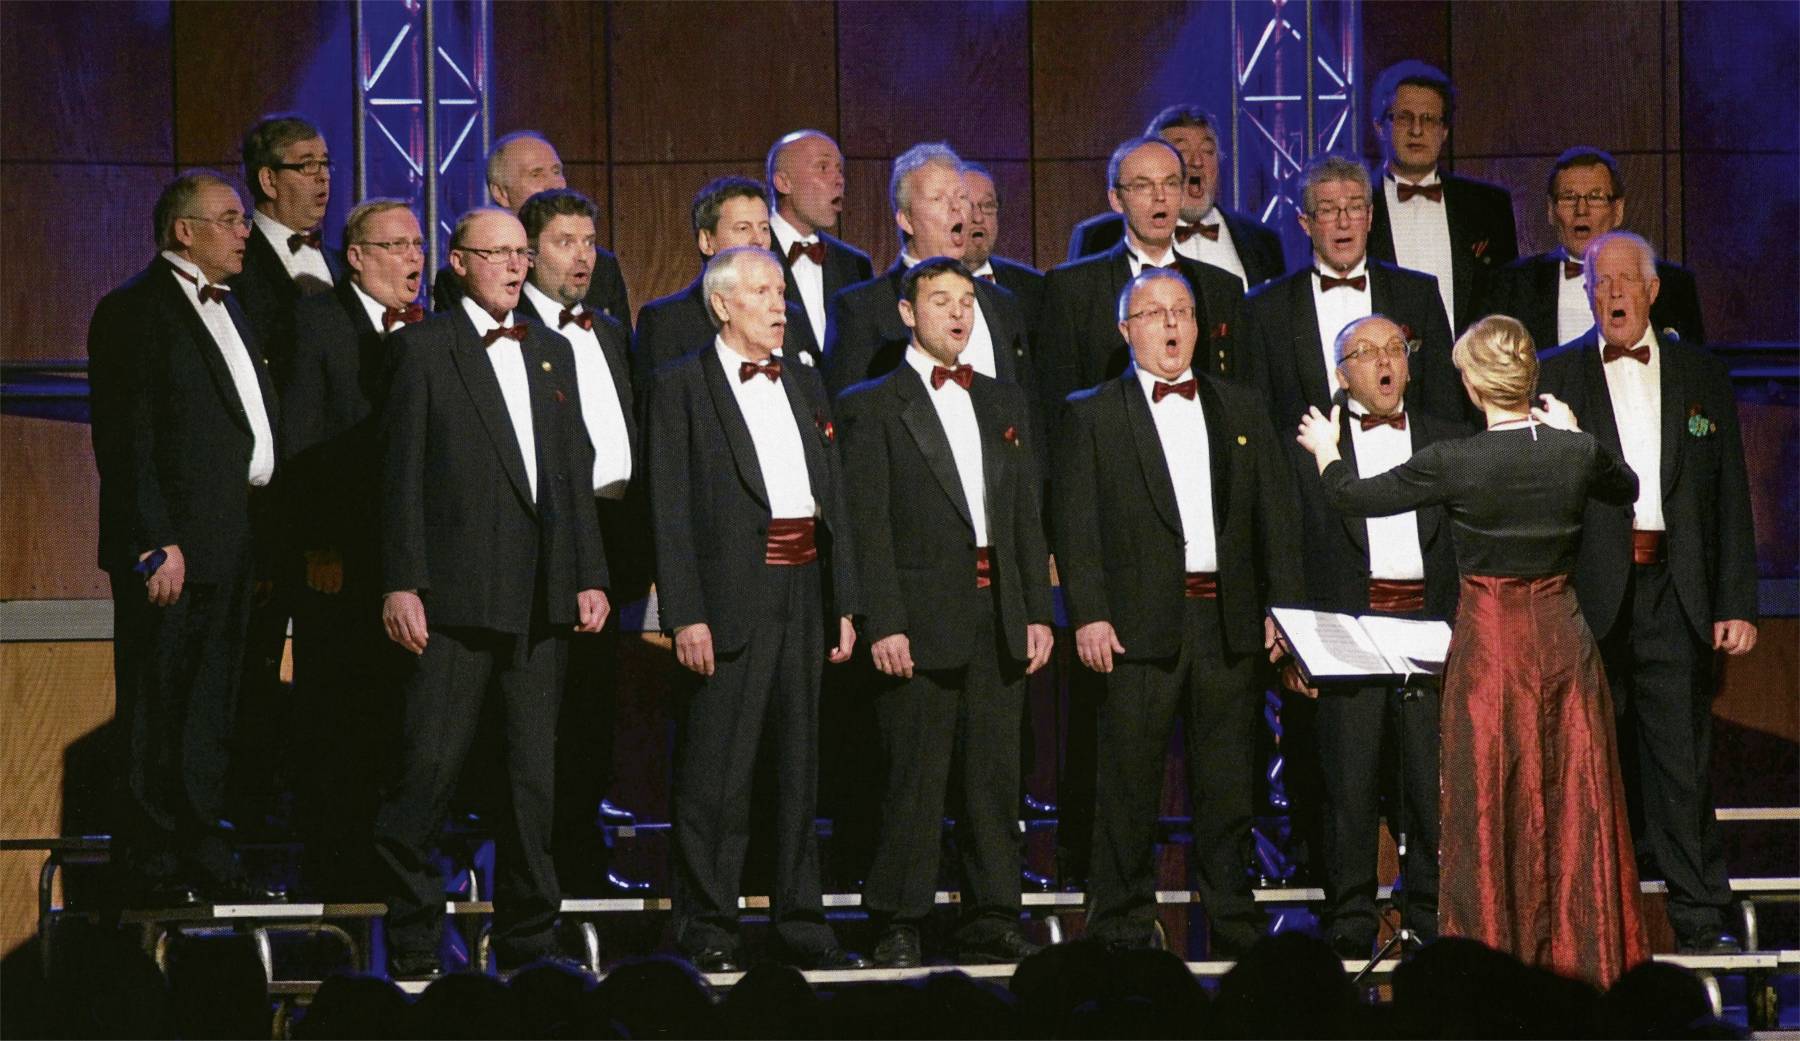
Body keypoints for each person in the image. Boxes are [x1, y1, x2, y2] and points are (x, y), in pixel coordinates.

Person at [1294, 313, 1649, 986]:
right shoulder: (1573, 452)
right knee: (1571, 800)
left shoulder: (1455, 459)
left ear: (1475, 386)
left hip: (1492, 651)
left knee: (1489, 803)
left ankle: (1488, 971)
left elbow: (1350, 495)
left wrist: (1326, 448)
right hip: (1564, 645)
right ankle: (1580, 958)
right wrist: (1574, 431)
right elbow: (1626, 485)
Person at [373, 206, 610, 977]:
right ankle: (414, 939)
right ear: (459, 262)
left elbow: (570, 472)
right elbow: (398, 476)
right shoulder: (422, 348)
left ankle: (529, 940)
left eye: (520, 254)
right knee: (427, 774)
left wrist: (589, 574)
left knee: (532, 783)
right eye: (497, 253)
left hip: (540, 601)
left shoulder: (551, 350)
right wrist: (401, 582)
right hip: (453, 601)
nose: (513, 266)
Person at [1052, 269, 1303, 957]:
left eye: (1182, 311)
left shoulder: (1241, 406)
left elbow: (1276, 518)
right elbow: (1076, 524)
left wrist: (1282, 610)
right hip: (1134, 625)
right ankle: (1122, 926)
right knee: (1127, 784)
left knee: (1228, 784)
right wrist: (1090, 613)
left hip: (1227, 620)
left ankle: (1234, 922)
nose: (1171, 323)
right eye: (1154, 312)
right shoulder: (1091, 412)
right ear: (1125, 330)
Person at [648, 246, 868, 973]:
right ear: (722, 304)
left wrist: (844, 600)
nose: (781, 305)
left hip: (804, 588)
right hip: (728, 597)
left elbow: (833, 495)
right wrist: (686, 614)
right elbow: (669, 508)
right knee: (717, 772)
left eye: (782, 292)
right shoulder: (680, 385)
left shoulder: (803, 377)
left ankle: (801, 921)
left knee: (799, 769)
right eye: (765, 293)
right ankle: (708, 923)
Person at [1538, 231, 1758, 954]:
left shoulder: (1701, 373)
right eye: (1599, 283)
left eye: (1625, 280)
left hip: (1675, 589)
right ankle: (1581, 924)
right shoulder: (1554, 374)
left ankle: (1700, 918)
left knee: (1680, 764)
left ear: (1653, 290)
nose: (1613, 293)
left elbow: (1729, 494)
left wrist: (1735, 601)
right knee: (1582, 766)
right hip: (1588, 597)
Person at [837, 257, 1054, 967]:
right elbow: (868, 525)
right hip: (919, 615)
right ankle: (898, 918)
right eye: (941, 300)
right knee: (914, 778)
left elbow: (1023, 517)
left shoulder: (1004, 400)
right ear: (907, 312)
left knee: (995, 780)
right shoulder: (873, 403)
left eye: (967, 301)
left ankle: (993, 914)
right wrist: (885, 621)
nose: (958, 314)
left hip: (999, 613)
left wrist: (1036, 609)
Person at [87, 169, 283, 906]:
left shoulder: (236, 305)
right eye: (229, 219)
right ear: (183, 230)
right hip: (173, 551)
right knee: (158, 707)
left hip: (234, 544)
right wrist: (153, 540)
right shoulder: (134, 309)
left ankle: (203, 850)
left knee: (211, 710)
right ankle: (152, 867)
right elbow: (127, 437)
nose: (244, 231)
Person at [1283, 314, 1458, 959]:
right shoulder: (1312, 443)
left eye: (1395, 349)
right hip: (1346, 634)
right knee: (1349, 787)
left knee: (1428, 788)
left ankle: (1431, 916)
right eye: (1367, 352)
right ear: (1341, 373)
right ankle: (1351, 920)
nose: (1385, 361)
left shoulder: (1447, 437)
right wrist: (1294, 645)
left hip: (1428, 629)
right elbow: (1290, 543)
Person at [279, 198, 425, 899]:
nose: (413, 258)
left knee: (400, 722)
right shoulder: (320, 321)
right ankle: (336, 884)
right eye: (395, 246)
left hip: (408, 562)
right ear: (357, 257)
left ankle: (391, 872)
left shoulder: (429, 326)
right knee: (339, 718)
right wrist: (319, 543)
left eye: (418, 244)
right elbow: (302, 439)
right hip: (341, 561)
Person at [514, 188, 649, 896]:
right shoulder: (513, 333)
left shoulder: (609, 330)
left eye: (590, 242)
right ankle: (546, 866)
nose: (583, 256)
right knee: (551, 709)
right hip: (549, 537)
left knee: (598, 707)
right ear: (528, 252)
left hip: (615, 532)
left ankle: (584, 856)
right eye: (565, 242)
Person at [1240, 153, 1463, 428]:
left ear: (1369, 217)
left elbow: (1445, 407)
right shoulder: (1266, 309)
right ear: (1305, 224)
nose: (1343, 222)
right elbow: (1259, 419)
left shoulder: (1418, 294)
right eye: (1328, 210)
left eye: (1355, 208)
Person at [1037, 136, 1246, 411]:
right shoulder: (1072, 288)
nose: (1160, 196)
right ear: (1116, 199)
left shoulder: (1222, 287)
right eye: (1143, 185)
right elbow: (1056, 403)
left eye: (1170, 183)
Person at [825, 143, 1032, 398]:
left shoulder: (1002, 303)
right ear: (906, 220)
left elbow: (1027, 405)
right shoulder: (861, 308)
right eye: (939, 198)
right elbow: (849, 411)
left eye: (961, 197)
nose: (957, 207)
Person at [1482, 148, 1705, 349]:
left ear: (1618, 211)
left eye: (1595, 197)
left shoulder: (1672, 286)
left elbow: (1692, 370)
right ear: (1551, 210)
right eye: (1569, 197)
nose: (1582, 210)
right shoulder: (1510, 286)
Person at [1365, 61, 1518, 334]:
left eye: (1429, 119)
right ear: (1379, 126)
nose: (1416, 130)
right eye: (1404, 118)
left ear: (1445, 130)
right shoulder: (1354, 206)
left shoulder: (1489, 206)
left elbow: (1507, 302)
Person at [633, 176, 818, 395]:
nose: (758, 240)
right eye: (743, 228)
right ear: (706, 241)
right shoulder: (666, 322)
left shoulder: (791, 316)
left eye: (764, 228)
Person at [1065, 106, 1285, 289]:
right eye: (1181, 151)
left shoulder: (1262, 241)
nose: (1196, 162)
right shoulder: (1100, 238)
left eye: (1208, 151)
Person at [432, 131, 631, 329]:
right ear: (501, 193)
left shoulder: (602, 266)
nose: (555, 185)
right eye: (536, 174)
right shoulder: (464, 275)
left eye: (556, 171)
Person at [766, 129, 873, 349]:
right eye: (823, 168)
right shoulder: (751, 257)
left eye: (840, 170)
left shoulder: (855, 264)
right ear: (784, 183)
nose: (839, 180)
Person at [962, 162, 1045, 329]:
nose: (978, 218)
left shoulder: (1037, 289)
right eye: (967, 206)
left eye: (987, 205)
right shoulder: (917, 285)